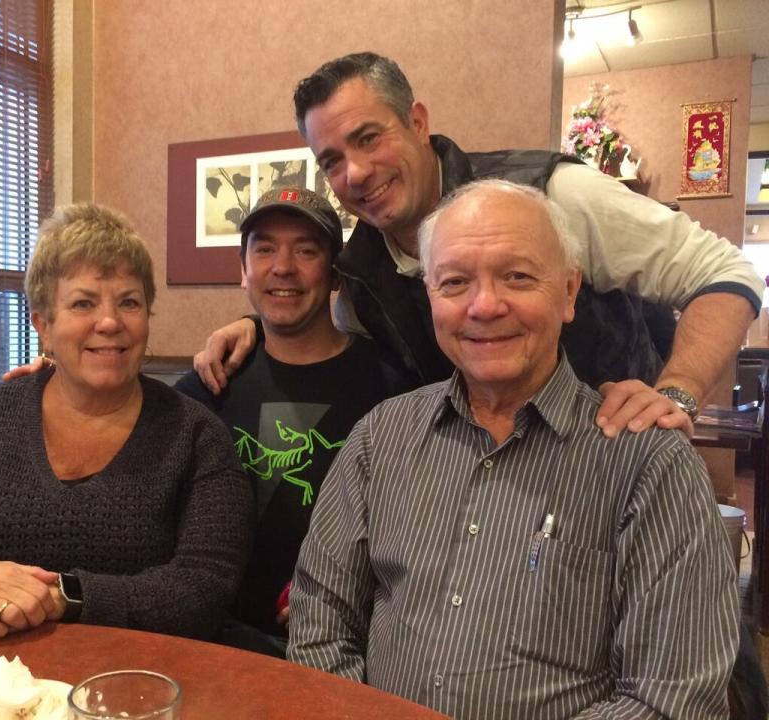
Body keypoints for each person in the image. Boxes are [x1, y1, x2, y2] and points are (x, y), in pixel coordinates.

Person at [287, 180, 739, 719]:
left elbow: (673, 698)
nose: (484, 305)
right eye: (454, 282)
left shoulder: (647, 463)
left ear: (570, 292)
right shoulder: (379, 439)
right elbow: (321, 621)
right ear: (431, 296)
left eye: (517, 277)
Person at [195, 52, 763, 440]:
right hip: (478, 507)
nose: (358, 172)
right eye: (332, 160)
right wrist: (254, 326)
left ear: (417, 122)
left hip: (610, 471)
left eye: (368, 138)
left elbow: (726, 273)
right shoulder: (360, 271)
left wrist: (680, 392)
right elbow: (318, 322)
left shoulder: (554, 193)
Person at [0, 203, 254, 650]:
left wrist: (57, 596)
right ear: (43, 323)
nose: (110, 322)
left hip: (129, 687)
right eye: (83, 303)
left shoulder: (196, 437)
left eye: (129, 302)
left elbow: (204, 593)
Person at [175, 187, 404, 657]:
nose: (283, 267)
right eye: (264, 249)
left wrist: (346, 596)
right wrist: (49, 383)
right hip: (214, 644)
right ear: (244, 271)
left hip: (340, 650)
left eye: (306, 250)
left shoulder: (391, 388)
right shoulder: (209, 383)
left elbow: (421, 525)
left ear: (335, 274)